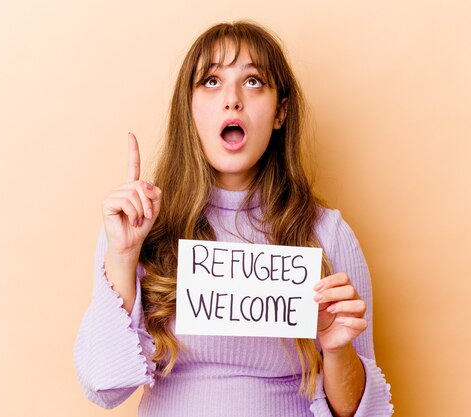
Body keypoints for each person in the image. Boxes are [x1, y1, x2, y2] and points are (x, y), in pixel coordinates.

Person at [74, 20, 393, 417]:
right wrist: (122, 256)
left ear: (281, 112)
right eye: (211, 81)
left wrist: (336, 348)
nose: (232, 100)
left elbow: (362, 413)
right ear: (188, 108)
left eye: (254, 82)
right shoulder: (137, 224)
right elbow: (105, 387)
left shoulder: (326, 233)